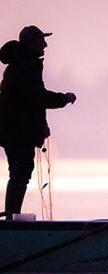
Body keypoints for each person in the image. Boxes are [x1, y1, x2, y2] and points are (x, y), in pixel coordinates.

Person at [0, 26, 76, 219]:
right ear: (31, 43)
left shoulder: (22, 65)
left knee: (19, 172)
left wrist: (41, 125)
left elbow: (30, 102)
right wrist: (64, 98)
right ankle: (11, 219)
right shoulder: (25, 67)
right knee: (20, 173)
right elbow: (37, 97)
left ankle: (11, 216)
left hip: (14, 131)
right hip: (18, 132)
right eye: (41, 40)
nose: (45, 44)